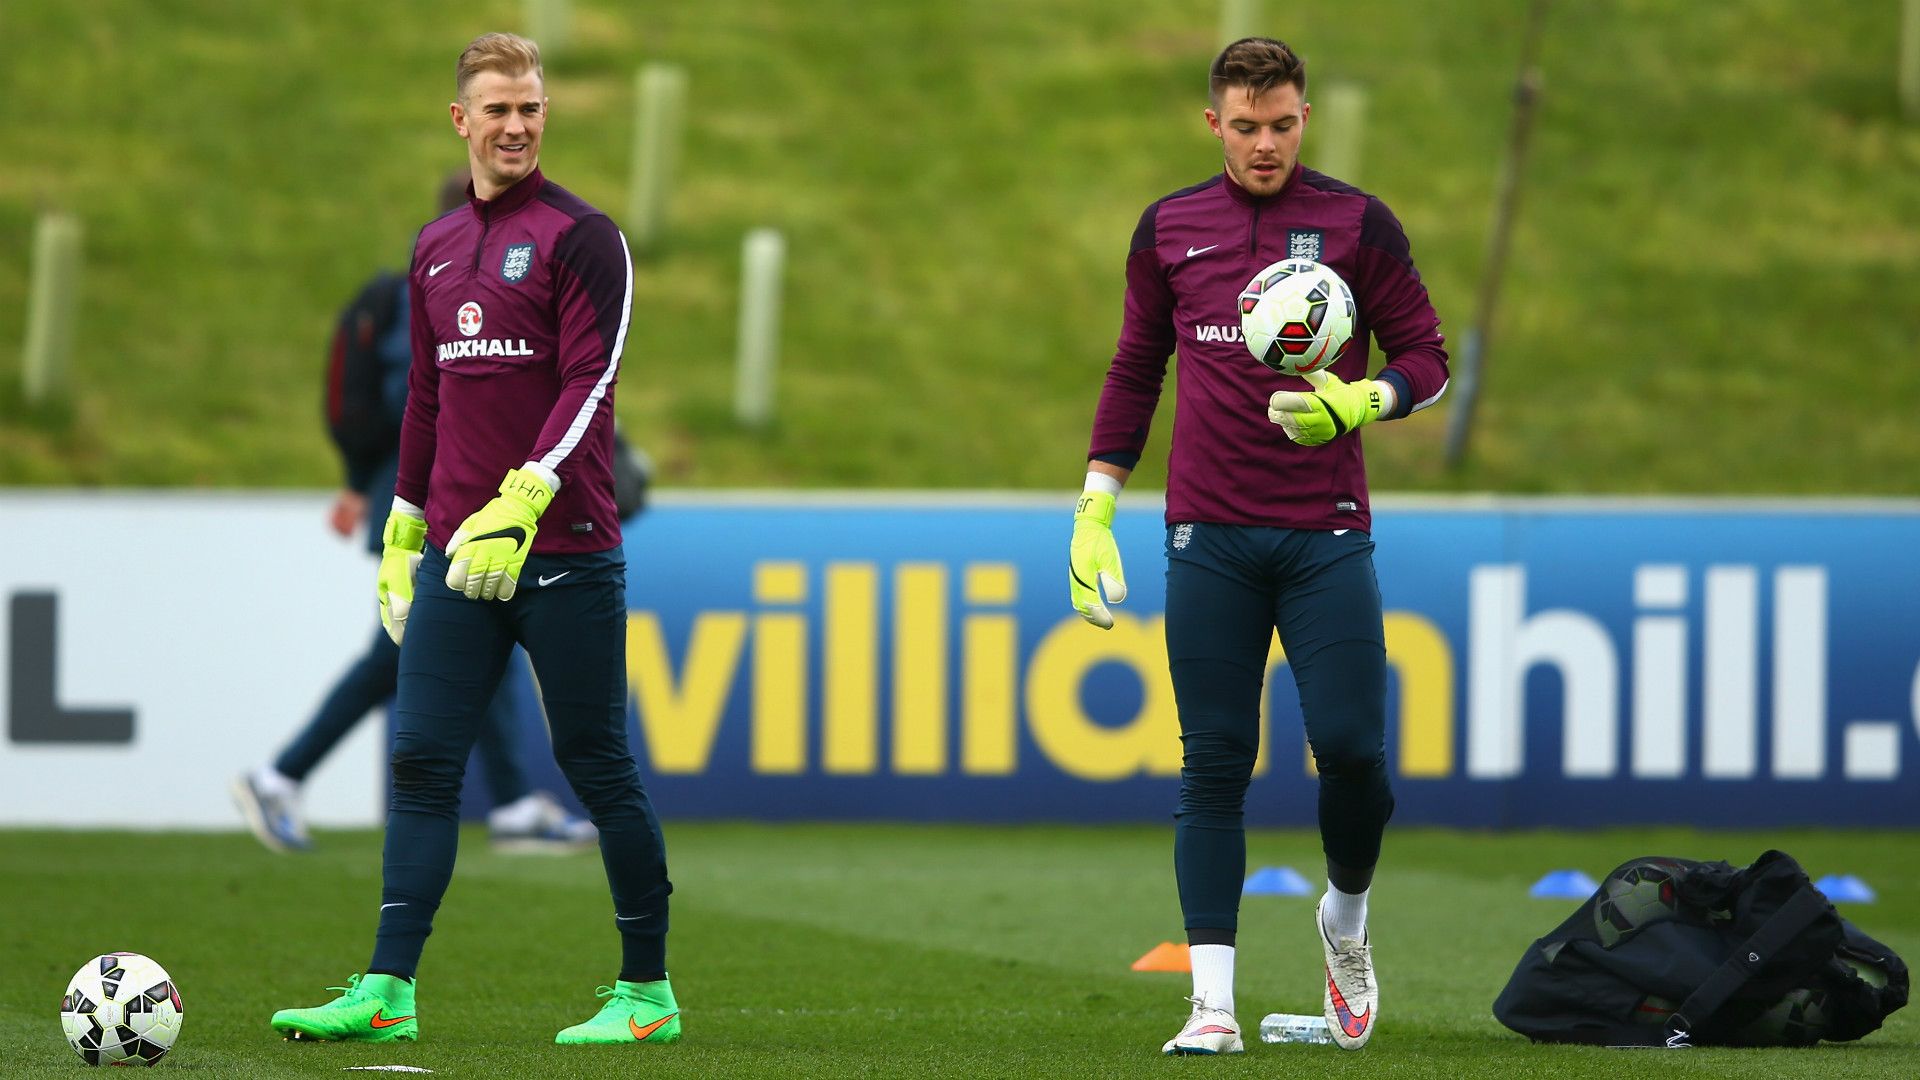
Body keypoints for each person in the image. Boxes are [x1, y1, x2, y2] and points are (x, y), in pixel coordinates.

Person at [269, 32, 680, 1047]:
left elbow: (593, 383)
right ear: (462, 121)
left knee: (596, 763)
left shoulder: (585, 237)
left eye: (532, 107)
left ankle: (646, 995)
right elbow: (428, 399)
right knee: (420, 762)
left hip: (568, 549)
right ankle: (387, 991)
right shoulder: (435, 245)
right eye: (497, 109)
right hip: (458, 552)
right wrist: (406, 521)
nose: (517, 125)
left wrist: (525, 496)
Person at [1068, 37, 1449, 1055]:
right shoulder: (1169, 228)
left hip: (1325, 535)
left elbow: (1427, 356)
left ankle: (1346, 921)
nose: (1266, 144)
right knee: (1215, 763)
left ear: (1304, 116)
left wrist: (1367, 399)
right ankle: (1211, 1006)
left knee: (1356, 756)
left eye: (1282, 124)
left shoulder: (1360, 225)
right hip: (1208, 535)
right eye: (1246, 126)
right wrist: (1097, 501)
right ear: (1214, 124)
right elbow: (1137, 366)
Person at [231, 170, 597, 858]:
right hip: (430, 501)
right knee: (403, 654)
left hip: (456, 499)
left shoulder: (438, 287)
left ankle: (513, 802)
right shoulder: (435, 290)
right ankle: (279, 774)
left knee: (465, 645)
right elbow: (421, 403)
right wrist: (366, 483)